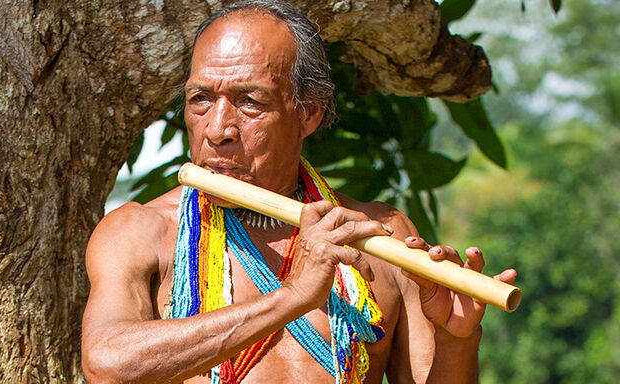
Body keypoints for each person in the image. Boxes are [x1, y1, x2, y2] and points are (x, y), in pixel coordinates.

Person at [81, 1, 516, 383]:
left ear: (308, 112)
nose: (217, 130)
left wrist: (457, 339)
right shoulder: (141, 231)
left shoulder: (383, 236)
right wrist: (293, 297)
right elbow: (107, 364)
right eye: (200, 99)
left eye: (249, 101)